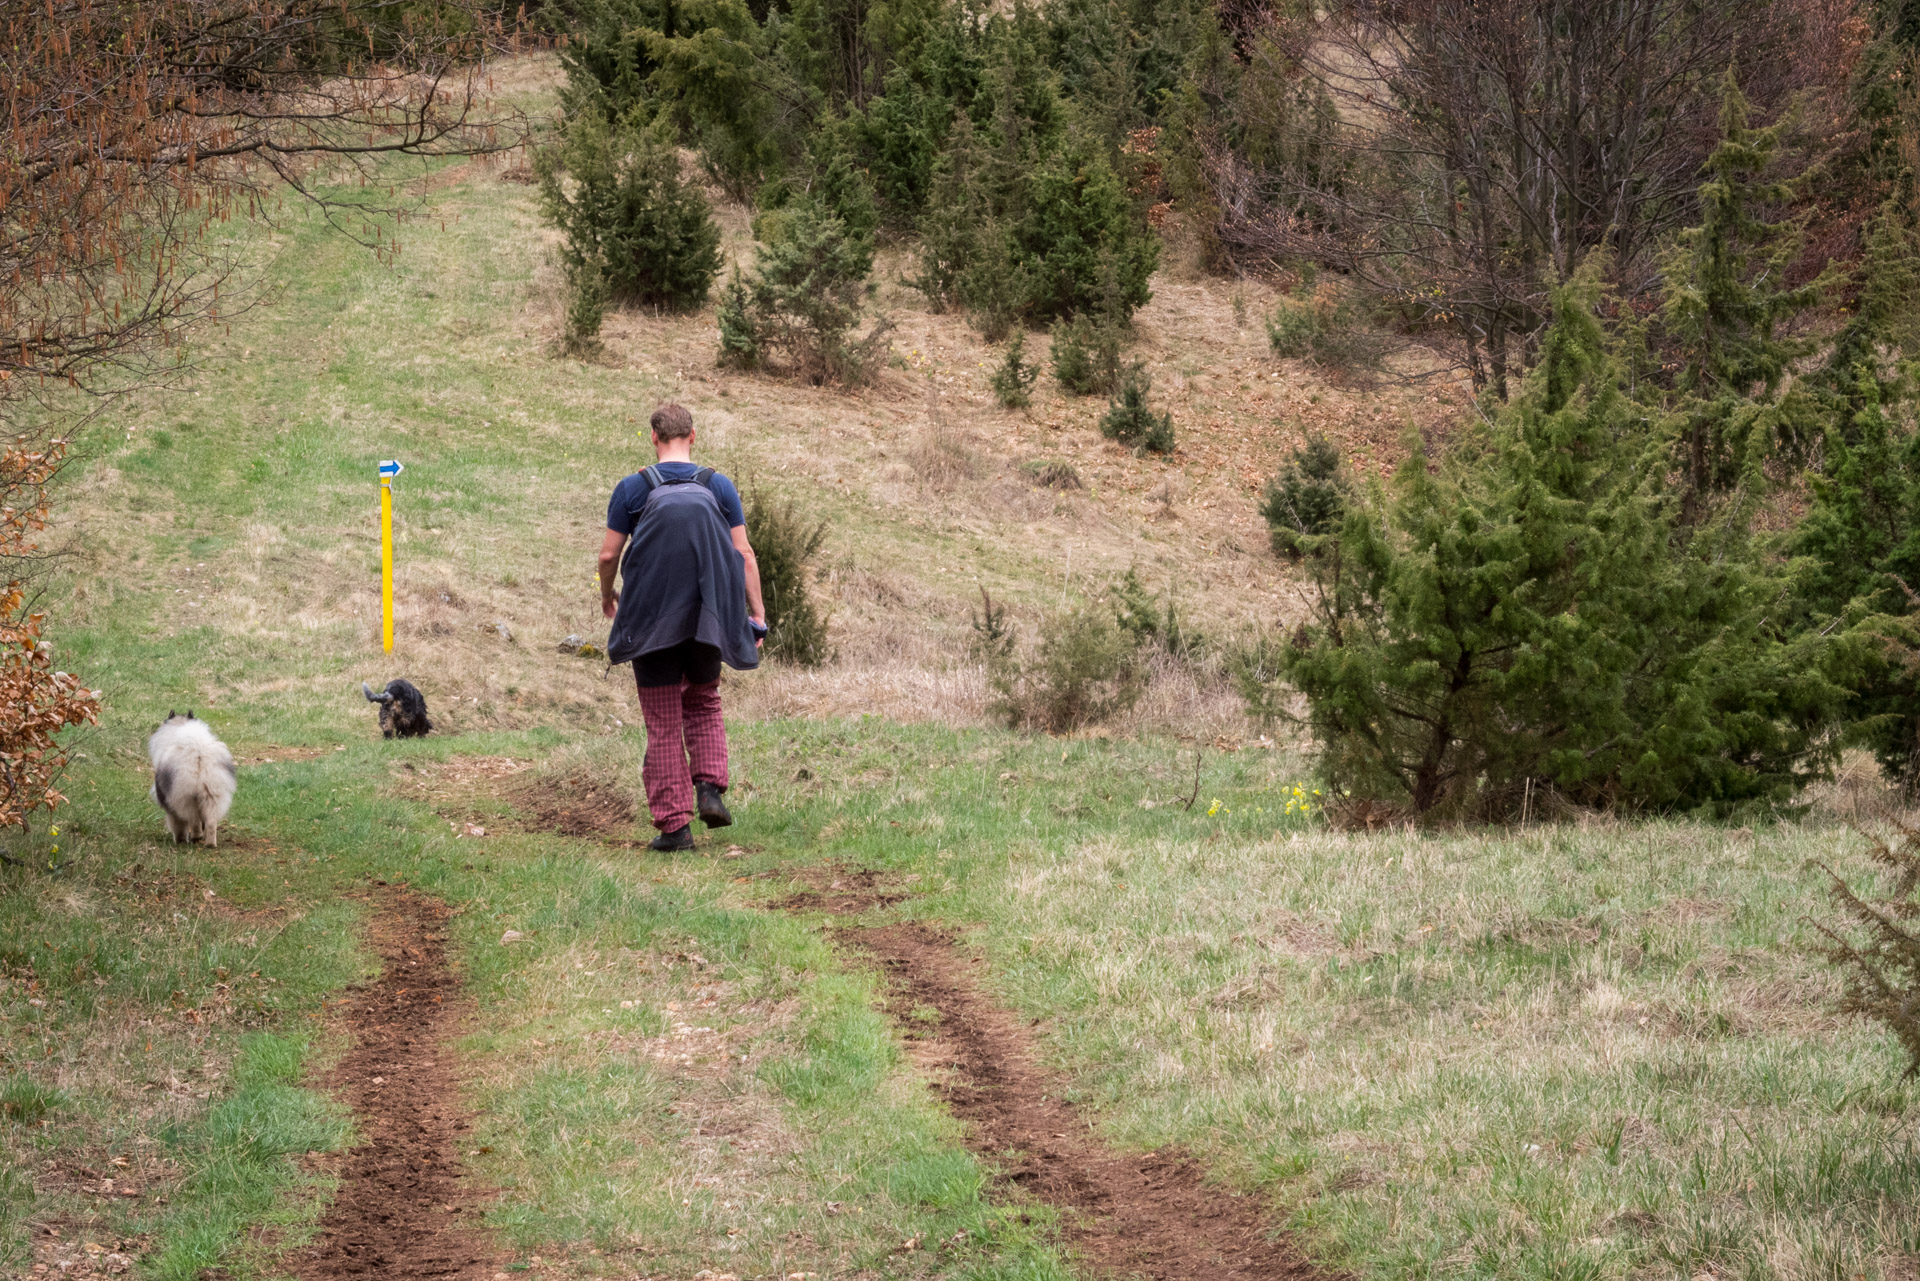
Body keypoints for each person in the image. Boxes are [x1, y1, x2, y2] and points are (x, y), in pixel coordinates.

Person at [598, 404, 766, 851]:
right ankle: (710, 788)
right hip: (708, 619)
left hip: (652, 621)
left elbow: (607, 557)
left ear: (653, 438)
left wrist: (607, 595)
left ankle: (675, 828)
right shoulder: (719, 486)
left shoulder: (633, 488)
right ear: (693, 435)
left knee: (663, 721)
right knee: (704, 700)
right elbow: (744, 555)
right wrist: (757, 617)